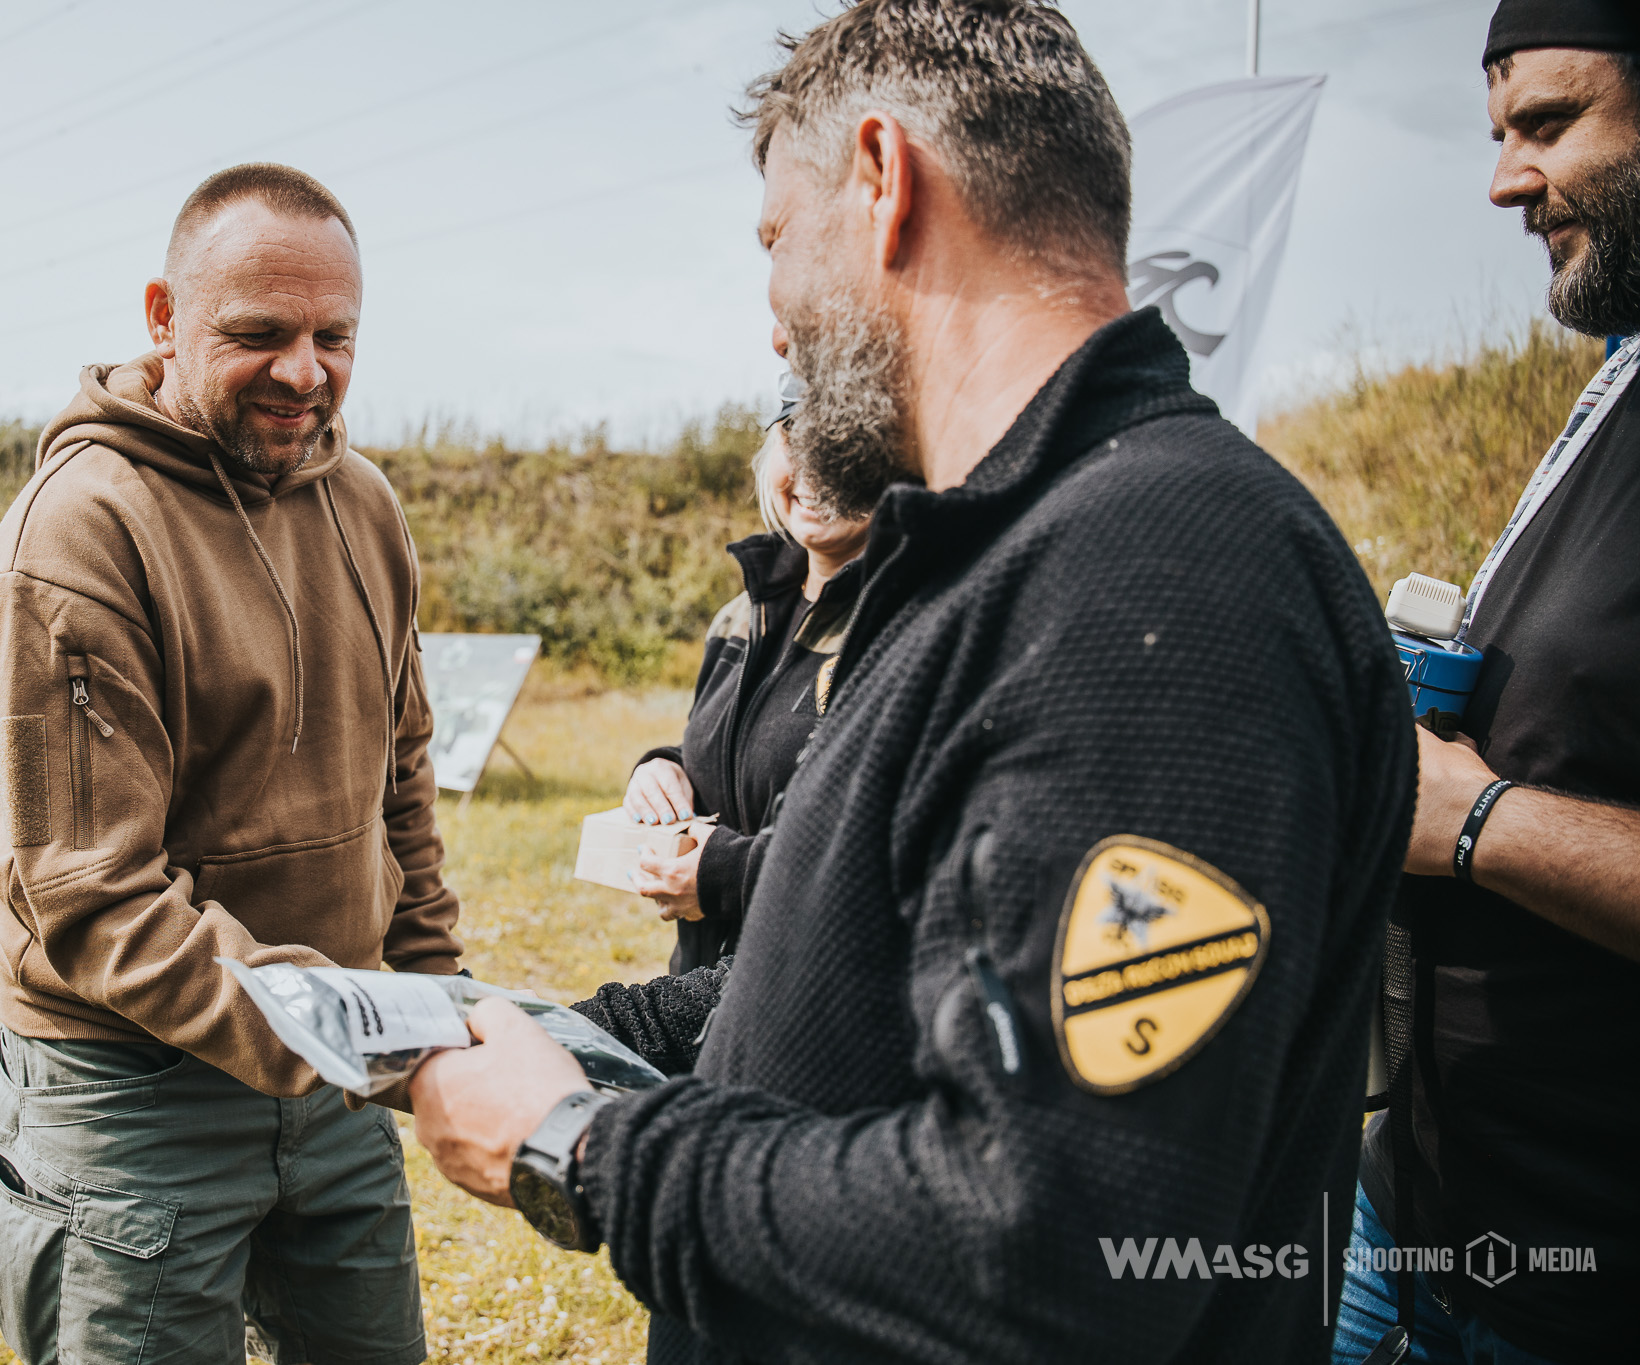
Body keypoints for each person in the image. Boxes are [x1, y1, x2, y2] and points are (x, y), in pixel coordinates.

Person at [407, 3, 1416, 1361]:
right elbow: (846, 982)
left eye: (775, 239)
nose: (774, 326)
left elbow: (1050, 1247)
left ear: (883, 179)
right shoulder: (987, 561)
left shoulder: (1148, 574)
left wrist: (583, 1149)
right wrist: (560, 1036)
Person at [0, 163, 460, 1365]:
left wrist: (433, 996)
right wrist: (365, 1032)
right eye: (258, 334)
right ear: (162, 317)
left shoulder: (366, 503)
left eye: (334, 337)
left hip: (335, 1076)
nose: (304, 372)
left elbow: (399, 773)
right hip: (132, 1097)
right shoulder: (80, 531)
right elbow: (96, 899)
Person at [1333, 6, 1640, 1363]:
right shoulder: (1615, 383)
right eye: (1499, 132)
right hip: (1415, 1205)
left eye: (1551, 124)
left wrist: (1471, 820)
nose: (1505, 180)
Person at [624, 405, 873, 971]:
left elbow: (874, 852)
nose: (816, 467)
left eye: (845, 442)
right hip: (700, 987)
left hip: (808, 991)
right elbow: (745, 764)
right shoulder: (740, 616)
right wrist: (666, 768)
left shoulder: (903, 628)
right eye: (797, 438)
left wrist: (724, 876)